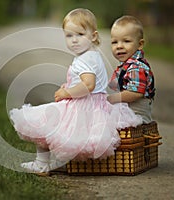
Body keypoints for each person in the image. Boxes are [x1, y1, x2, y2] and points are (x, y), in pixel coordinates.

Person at [9, 9, 142, 174]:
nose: (74, 40)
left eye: (80, 34)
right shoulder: (93, 55)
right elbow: (81, 82)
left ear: (93, 36)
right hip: (95, 106)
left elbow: (88, 85)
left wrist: (67, 94)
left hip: (82, 106)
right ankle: (58, 163)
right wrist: (66, 87)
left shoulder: (85, 59)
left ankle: (41, 163)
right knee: (56, 130)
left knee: (43, 122)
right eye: (69, 36)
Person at [107, 15, 155, 124]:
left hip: (136, 118)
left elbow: (135, 93)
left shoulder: (136, 67)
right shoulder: (125, 66)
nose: (119, 46)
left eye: (126, 41)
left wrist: (112, 98)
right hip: (126, 113)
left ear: (140, 44)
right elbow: (114, 86)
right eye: (115, 42)